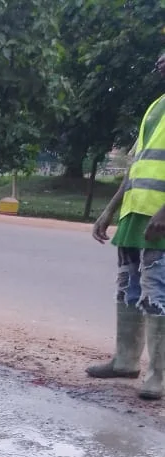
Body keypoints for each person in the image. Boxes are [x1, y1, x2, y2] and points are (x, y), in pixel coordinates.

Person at [89, 51, 165, 400]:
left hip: (160, 219)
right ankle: (125, 360)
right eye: (159, 56)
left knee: (157, 295)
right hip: (134, 217)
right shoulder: (155, 108)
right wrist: (108, 211)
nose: (160, 61)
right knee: (128, 290)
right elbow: (135, 167)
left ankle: (158, 376)